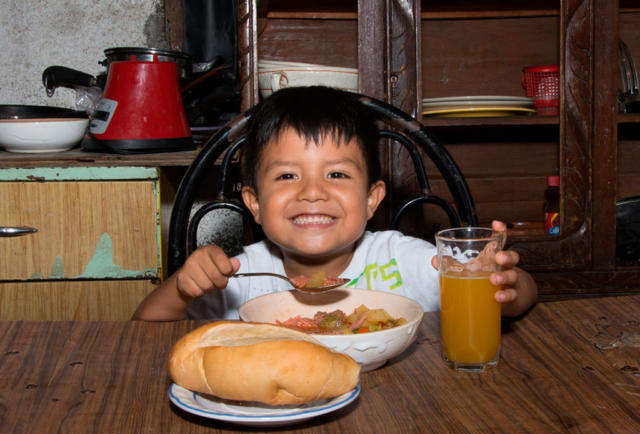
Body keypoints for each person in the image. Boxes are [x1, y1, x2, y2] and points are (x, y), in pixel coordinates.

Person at [132, 86, 538, 321]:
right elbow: (144, 330)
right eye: (288, 176)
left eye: (337, 175)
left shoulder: (399, 260)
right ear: (254, 203)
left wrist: (504, 286)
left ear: (371, 199)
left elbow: (514, 302)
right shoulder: (241, 277)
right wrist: (183, 289)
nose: (313, 192)